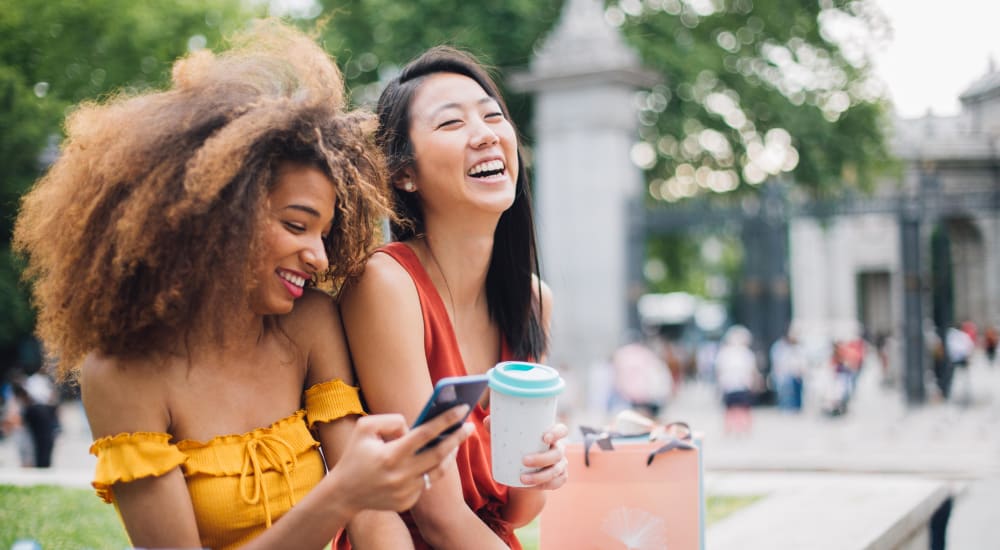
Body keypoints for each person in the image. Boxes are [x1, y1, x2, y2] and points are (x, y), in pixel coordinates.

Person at [12, 21, 471, 550]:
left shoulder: (308, 321)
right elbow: (349, 496)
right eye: (296, 225)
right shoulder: (122, 374)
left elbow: (370, 516)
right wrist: (340, 495)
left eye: (324, 232)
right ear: (216, 219)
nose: (319, 256)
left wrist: (359, 494)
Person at [339, 46, 569, 549]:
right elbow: (438, 517)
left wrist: (542, 468)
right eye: (451, 124)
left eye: (493, 116)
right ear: (404, 174)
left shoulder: (532, 300)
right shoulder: (386, 284)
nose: (486, 134)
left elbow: (515, 510)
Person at [714, 325, 758, 434]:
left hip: (729, 385)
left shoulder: (724, 353)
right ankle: (743, 429)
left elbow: (718, 371)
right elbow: (752, 371)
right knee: (744, 408)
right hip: (741, 384)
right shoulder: (746, 353)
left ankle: (731, 429)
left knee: (730, 409)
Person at [770, 324, 807, 413]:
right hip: (785, 375)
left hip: (796, 375)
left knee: (796, 396)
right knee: (786, 395)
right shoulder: (780, 347)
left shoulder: (798, 347)